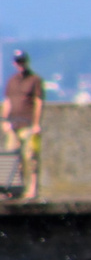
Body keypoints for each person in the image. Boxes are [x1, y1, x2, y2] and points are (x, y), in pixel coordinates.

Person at [3, 50, 44, 201]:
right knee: (11, 158)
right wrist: (5, 121)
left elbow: (38, 102)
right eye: (18, 62)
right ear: (14, 63)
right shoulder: (11, 81)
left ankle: (32, 189)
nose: (20, 65)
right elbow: (7, 101)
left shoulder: (35, 80)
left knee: (30, 157)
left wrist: (36, 124)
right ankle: (11, 190)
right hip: (13, 125)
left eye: (22, 61)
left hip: (28, 125)